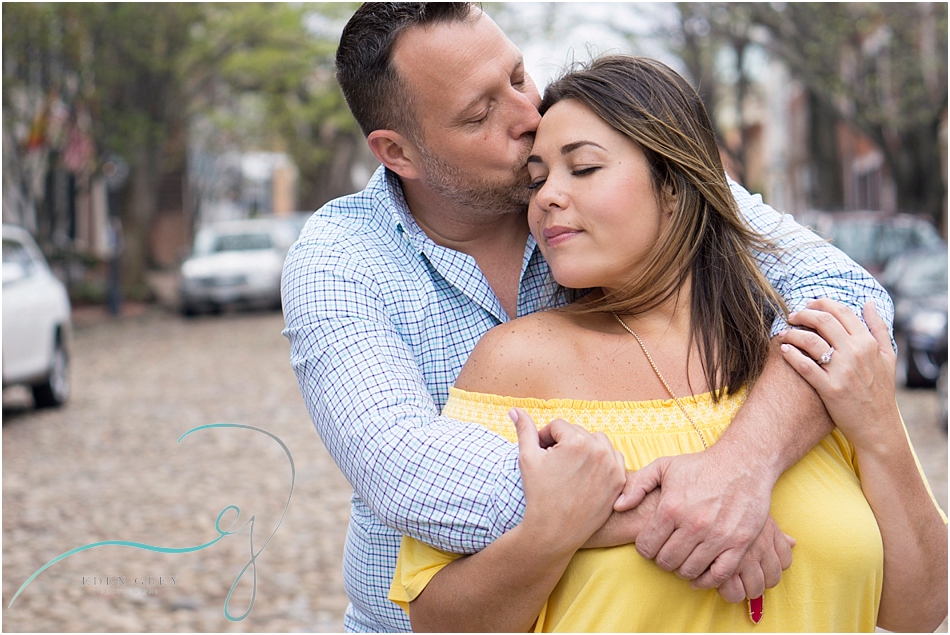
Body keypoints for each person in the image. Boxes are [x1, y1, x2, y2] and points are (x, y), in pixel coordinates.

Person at [281, 4, 896, 631]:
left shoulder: (617, 176)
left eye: (518, 77)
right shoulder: (341, 260)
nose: (528, 116)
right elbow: (408, 470)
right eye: (479, 114)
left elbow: (846, 294)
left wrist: (741, 464)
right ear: (397, 153)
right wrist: (690, 506)